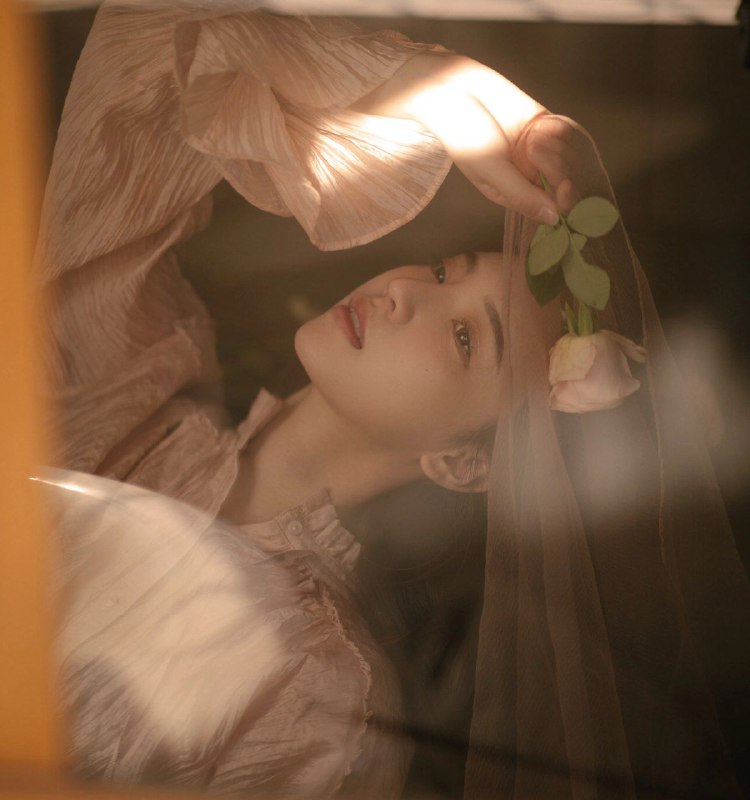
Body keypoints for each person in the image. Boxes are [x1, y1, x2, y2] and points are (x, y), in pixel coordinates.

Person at [38, 2, 750, 799]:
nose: (406, 292)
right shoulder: (133, 382)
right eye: (445, 271)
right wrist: (422, 85)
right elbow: (146, 48)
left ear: (460, 464)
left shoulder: (317, 698)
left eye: (466, 338)